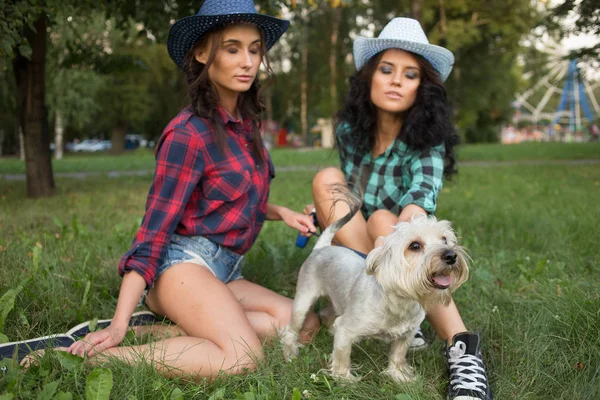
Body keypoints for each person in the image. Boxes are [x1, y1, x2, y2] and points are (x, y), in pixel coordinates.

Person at [2, 0, 320, 380]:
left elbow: (235, 200)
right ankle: (89, 357)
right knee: (242, 357)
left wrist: (281, 212)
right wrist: (117, 324)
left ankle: (170, 333)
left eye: (254, 50)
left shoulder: (245, 126)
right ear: (203, 54)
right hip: (183, 267)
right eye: (232, 49)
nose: (248, 61)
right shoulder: (188, 133)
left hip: (226, 271)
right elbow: (153, 232)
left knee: (305, 326)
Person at [303, 18, 493, 400]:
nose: (394, 81)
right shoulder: (350, 132)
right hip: (362, 247)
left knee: (385, 219)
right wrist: (324, 212)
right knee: (326, 178)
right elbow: (352, 191)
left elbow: (420, 198)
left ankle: (463, 354)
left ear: (421, 89)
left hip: (403, 240)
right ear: (369, 78)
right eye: (386, 70)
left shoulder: (427, 139)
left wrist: (403, 232)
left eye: (409, 75)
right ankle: (375, 301)